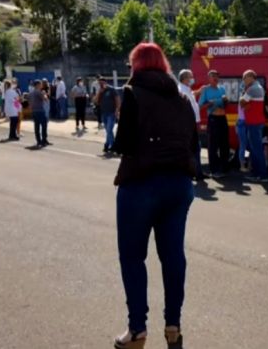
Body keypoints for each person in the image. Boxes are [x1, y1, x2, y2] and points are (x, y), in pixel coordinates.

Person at [112, 43, 196, 349]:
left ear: (136, 65)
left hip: (141, 183)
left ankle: (137, 329)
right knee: (173, 256)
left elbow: (123, 144)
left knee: (133, 257)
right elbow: (193, 143)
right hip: (179, 184)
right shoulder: (182, 98)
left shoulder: (132, 93)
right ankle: (173, 325)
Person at [198, 70, 229, 178]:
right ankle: (214, 170)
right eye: (213, 76)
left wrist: (226, 101)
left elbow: (225, 105)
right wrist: (209, 103)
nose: (216, 78)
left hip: (223, 118)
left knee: (224, 144)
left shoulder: (222, 88)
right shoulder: (206, 90)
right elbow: (200, 106)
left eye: (217, 76)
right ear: (209, 78)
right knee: (213, 145)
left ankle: (224, 168)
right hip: (213, 119)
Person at [241, 70, 268, 183]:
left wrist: (244, 102)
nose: (243, 80)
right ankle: (256, 173)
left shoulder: (253, 88)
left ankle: (262, 175)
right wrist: (246, 105)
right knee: (254, 149)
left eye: (244, 77)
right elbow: (245, 105)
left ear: (251, 77)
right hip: (255, 122)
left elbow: (242, 102)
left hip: (254, 123)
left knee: (257, 149)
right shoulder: (257, 87)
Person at [177, 70, 205, 181]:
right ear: (184, 78)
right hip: (189, 123)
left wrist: (198, 92)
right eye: (190, 77)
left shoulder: (186, 89)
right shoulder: (181, 90)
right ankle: (194, 173)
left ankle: (198, 172)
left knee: (196, 147)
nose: (192, 79)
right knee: (193, 148)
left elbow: (191, 95)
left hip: (194, 122)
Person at [96, 76, 120, 154]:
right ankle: (109, 145)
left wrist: (117, 110)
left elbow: (117, 99)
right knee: (108, 131)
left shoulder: (111, 89)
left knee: (109, 130)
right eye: (99, 83)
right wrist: (99, 92)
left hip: (111, 113)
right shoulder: (100, 91)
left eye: (102, 83)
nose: (100, 84)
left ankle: (110, 145)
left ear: (105, 82)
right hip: (104, 113)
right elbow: (96, 101)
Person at [28, 80, 51, 148]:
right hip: (40, 110)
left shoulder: (31, 93)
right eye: (40, 84)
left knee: (36, 126)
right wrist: (44, 94)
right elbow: (45, 99)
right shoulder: (38, 92)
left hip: (34, 111)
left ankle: (39, 141)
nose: (41, 85)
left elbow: (29, 102)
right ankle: (44, 140)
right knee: (44, 125)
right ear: (37, 85)